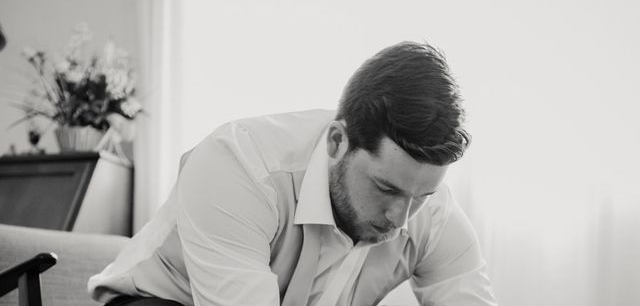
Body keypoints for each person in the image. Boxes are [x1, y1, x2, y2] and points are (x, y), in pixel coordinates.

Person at [89, 41, 498, 306]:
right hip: (161, 300)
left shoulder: (433, 212)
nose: (400, 217)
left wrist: (417, 197)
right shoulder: (239, 166)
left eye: (421, 196)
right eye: (385, 187)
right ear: (337, 141)